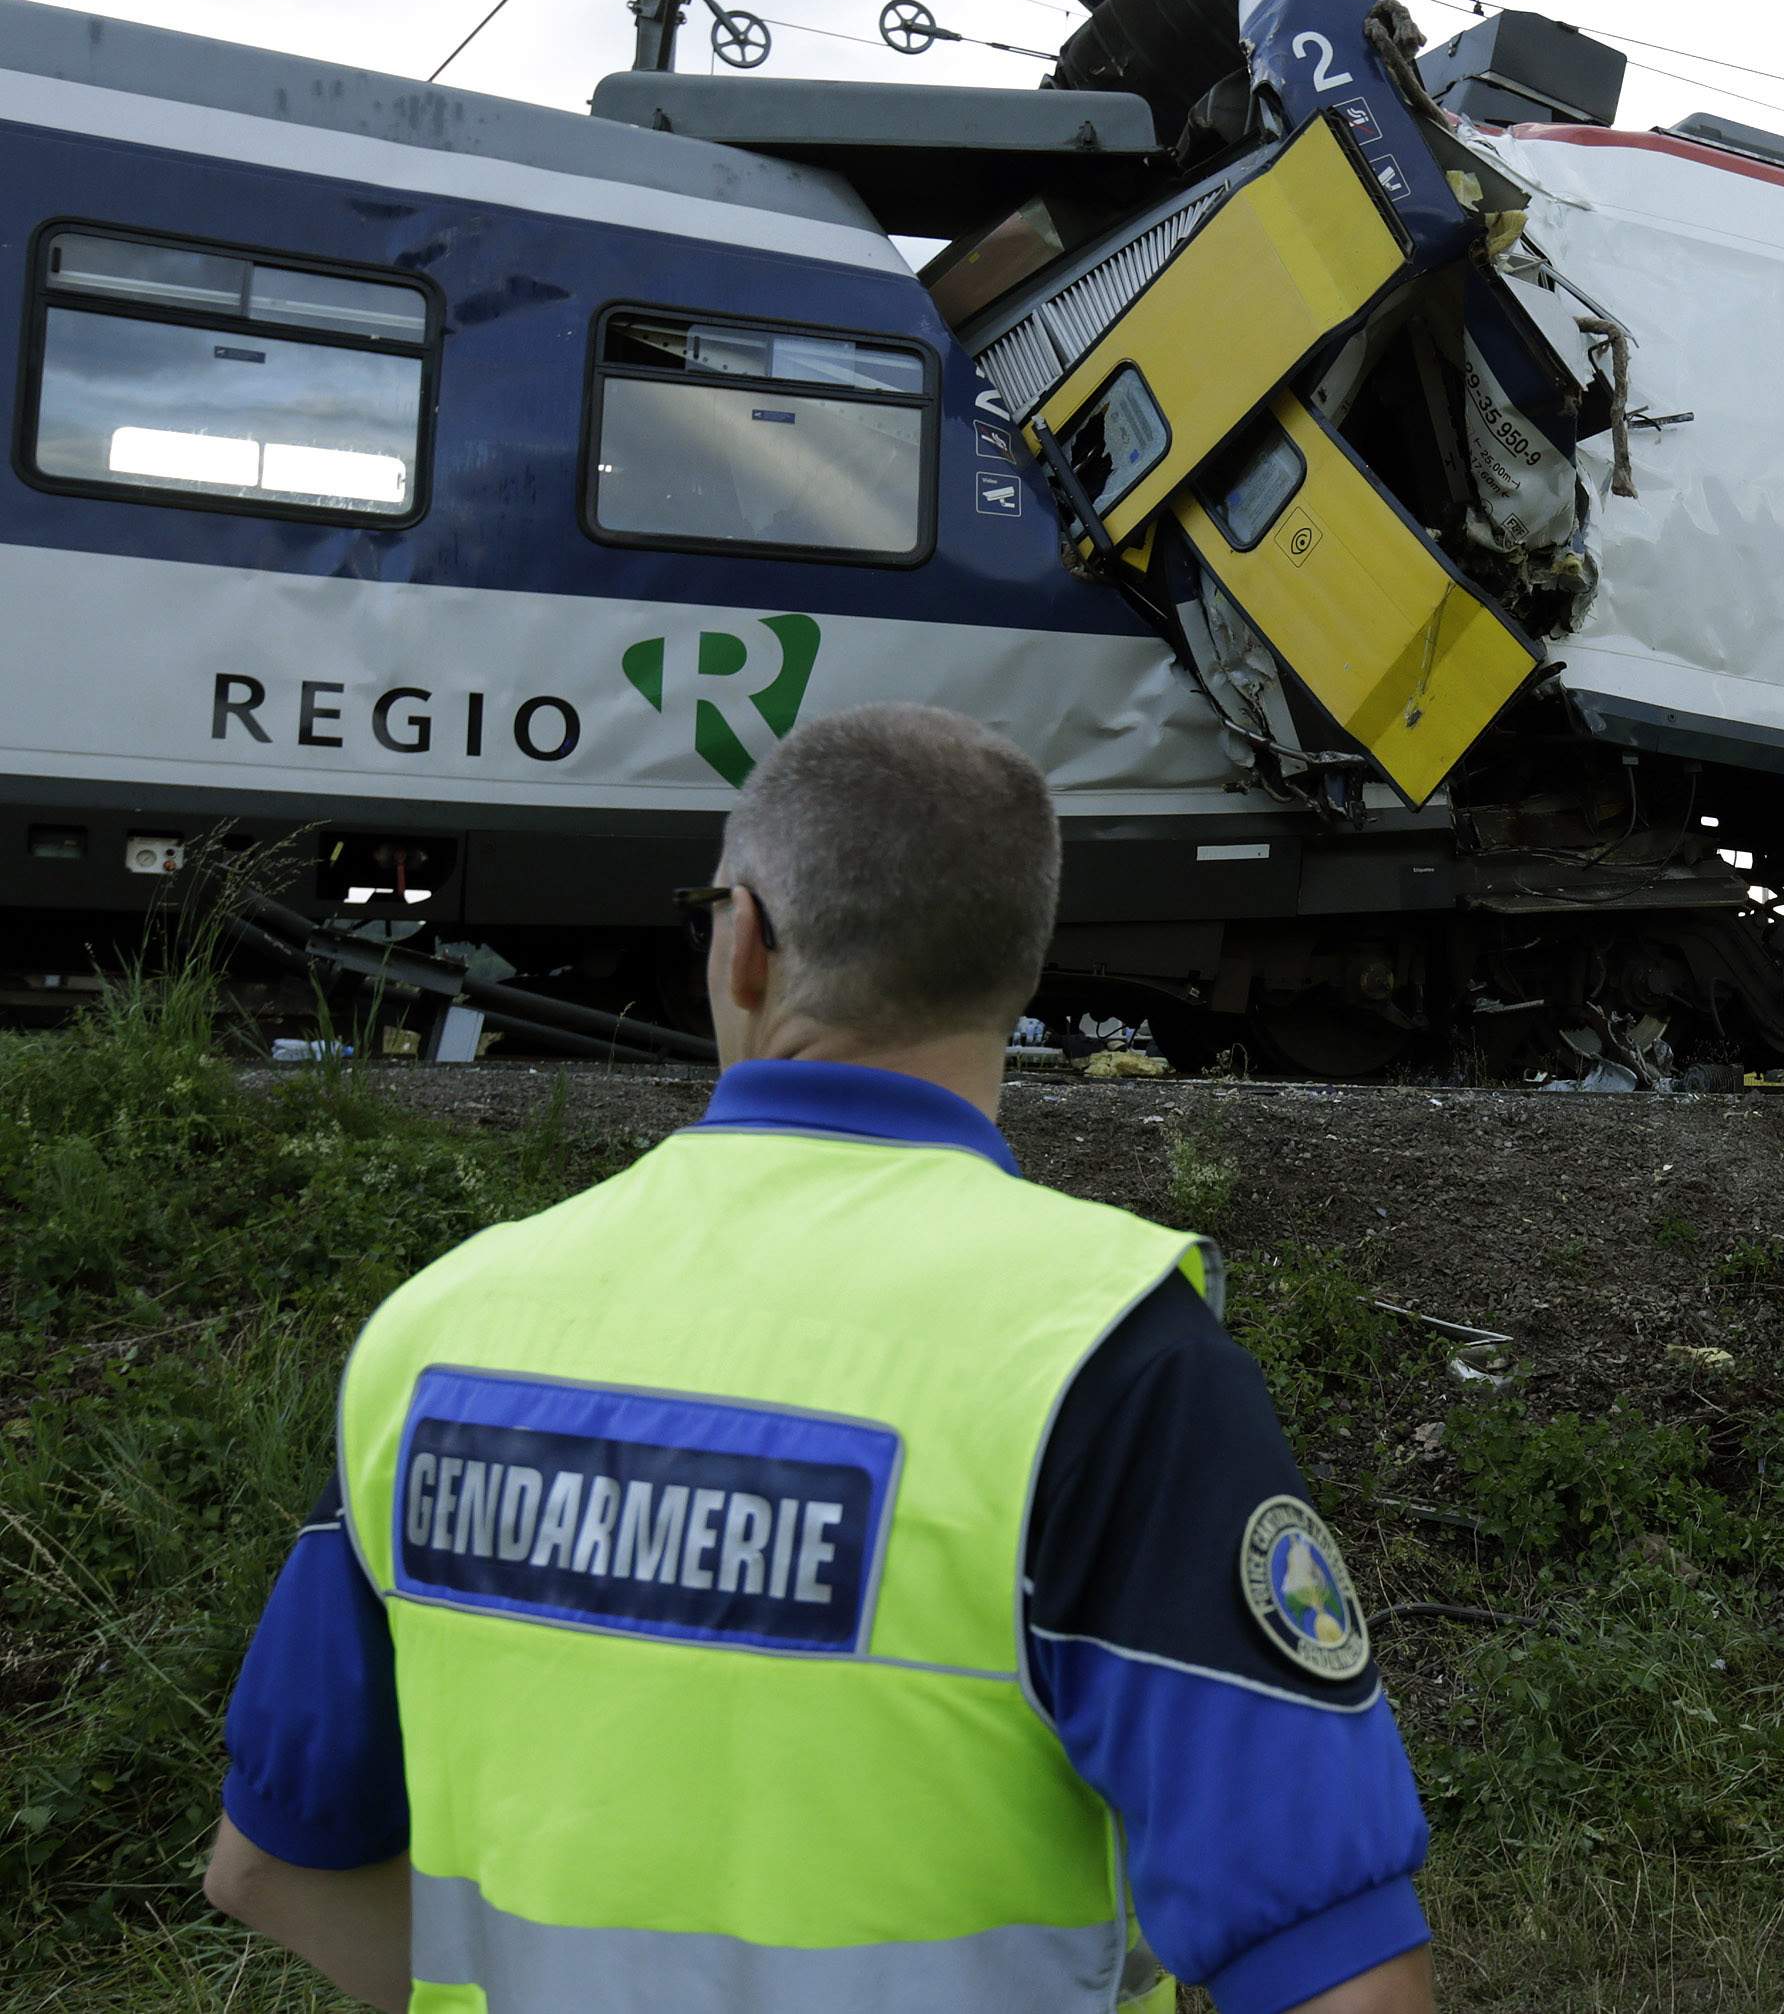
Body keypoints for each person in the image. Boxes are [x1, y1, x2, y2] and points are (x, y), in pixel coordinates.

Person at [202, 704, 1434, 2014]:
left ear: (740, 944)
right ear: (1019, 967)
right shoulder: (1103, 1362)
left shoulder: (438, 1332)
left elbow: (273, 1865)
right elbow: (1342, 1984)